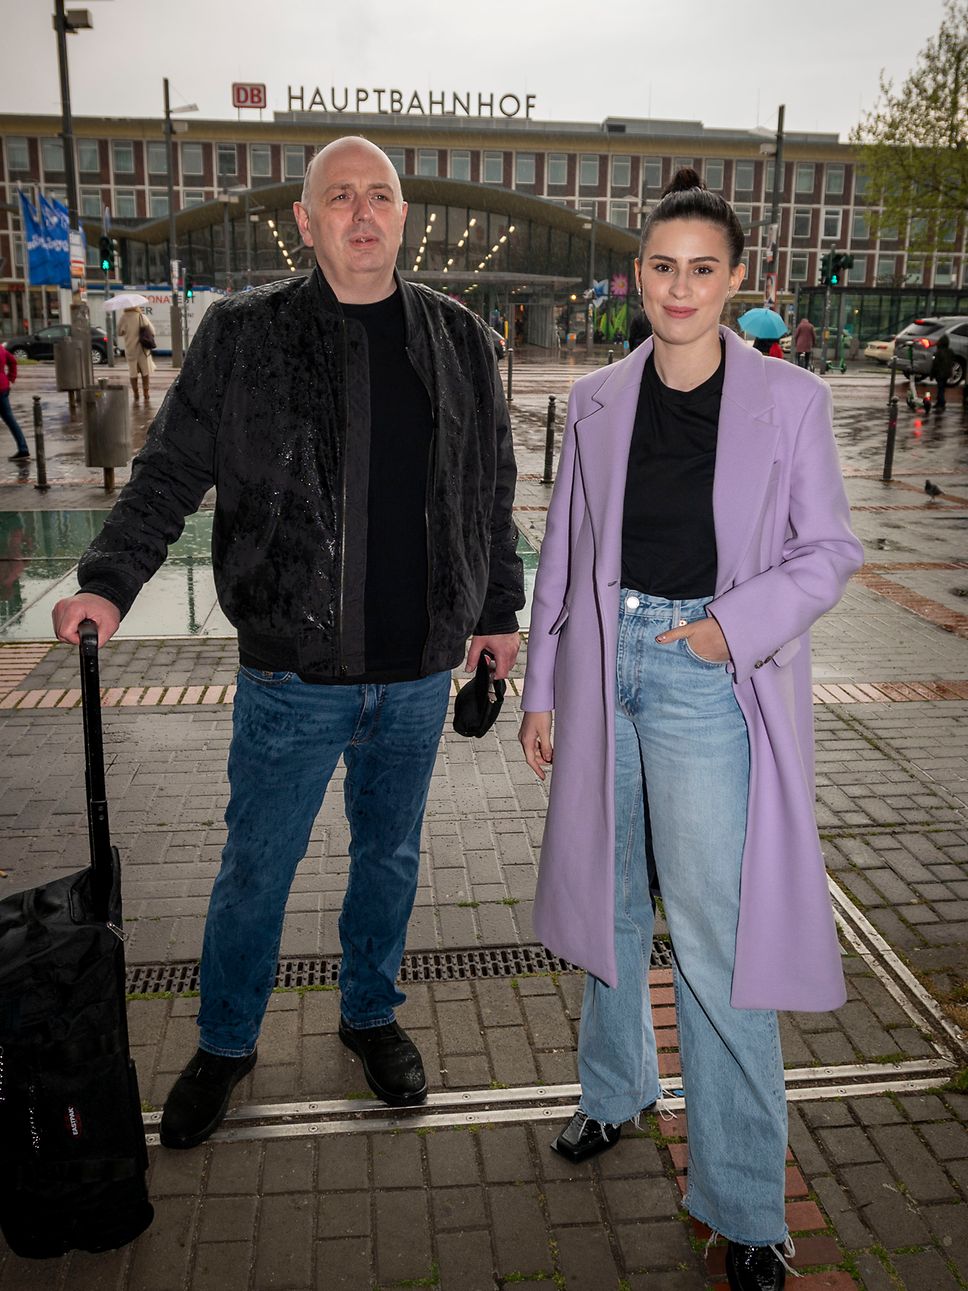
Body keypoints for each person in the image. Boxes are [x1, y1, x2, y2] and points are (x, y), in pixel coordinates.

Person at [53, 136, 523, 1150]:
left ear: (403, 216)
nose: (361, 212)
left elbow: (490, 491)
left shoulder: (460, 340)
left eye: (379, 196)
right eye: (338, 197)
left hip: (413, 674)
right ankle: (225, 1040)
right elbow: (171, 472)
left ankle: (368, 1013)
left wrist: (497, 616)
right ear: (305, 222)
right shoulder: (243, 335)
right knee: (254, 871)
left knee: (388, 859)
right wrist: (107, 580)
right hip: (289, 673)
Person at [518, 168, 862, 1291]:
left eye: (700, 268)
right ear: (637, 275)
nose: (679, 286)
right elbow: (563, 553)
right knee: (605, 897)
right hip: (598, 661)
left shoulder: (790, 400)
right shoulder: (596, 397)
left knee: (715, 947)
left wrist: (727, 630)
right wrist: (539, 688)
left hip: (702, 677)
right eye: (661, 265)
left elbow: (826, 553)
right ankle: (610, 1095)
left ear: (733, 279)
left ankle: (745, 1203)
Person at [116, 306, 155, 402]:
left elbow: (119, 333)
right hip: (142, 349)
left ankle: (136, 393)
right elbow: (153, 331)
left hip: (130, 350)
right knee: (145, 372)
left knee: (133, 372)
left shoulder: (123, 318)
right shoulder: (142, 316)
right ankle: (146, 393)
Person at [0, 341, 30, 461]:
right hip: (3, 387)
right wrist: (11, 378)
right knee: (10, 420)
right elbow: (12, 361)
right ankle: (23, 449)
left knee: (9, 419)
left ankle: (23, 450)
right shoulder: (1, 349)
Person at [930, 334, 955, 412]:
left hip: (940, 373)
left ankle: (941, 403)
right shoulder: (950, 352)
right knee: (942, 388)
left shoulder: (938, 352)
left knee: (940, 388)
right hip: (947, 373)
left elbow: (935, 364)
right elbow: (952, 362)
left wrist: (932, 374)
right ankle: (939, 402)